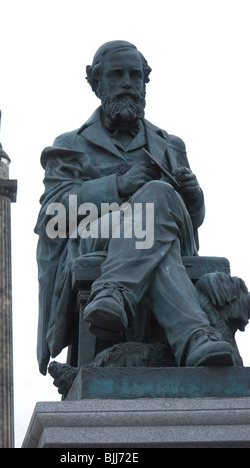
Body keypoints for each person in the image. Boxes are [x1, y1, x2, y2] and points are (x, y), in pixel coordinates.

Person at [35, 40, 235, 376]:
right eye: (117, 74)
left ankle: (114, 291)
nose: (128, 83)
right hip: (99, 238)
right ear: (96, 83)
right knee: (155, 230)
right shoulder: (70, 145)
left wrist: (194, 196)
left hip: (161, 239)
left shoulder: (169, 144)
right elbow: (52, 219)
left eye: (136, 75)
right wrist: (118, 186)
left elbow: (191, 221)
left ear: (145, 82)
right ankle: (195, 337)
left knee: (157, 203)